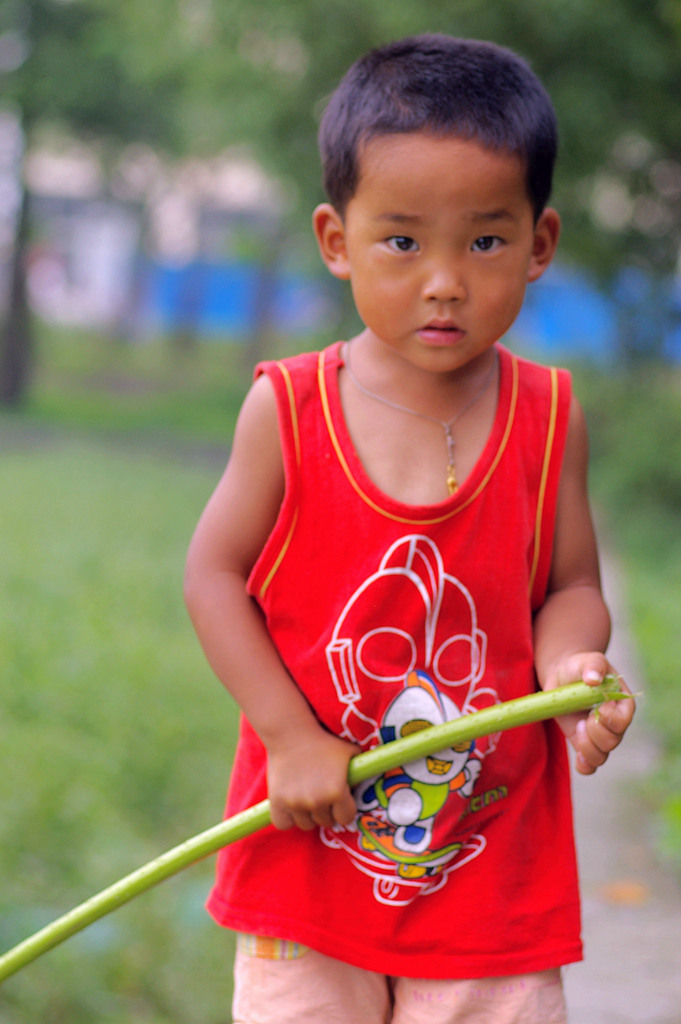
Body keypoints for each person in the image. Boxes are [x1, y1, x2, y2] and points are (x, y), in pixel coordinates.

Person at [184, 34, 635, 1024]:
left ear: (540, 243)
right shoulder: (291, 411)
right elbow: (213, 575)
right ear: (336, 240)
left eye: (484, 241)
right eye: (402, 240)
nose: (444, 281)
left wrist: (570, 668)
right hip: (311, 869)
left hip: (491, 883)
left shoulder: (549, 416)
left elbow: (568, 583)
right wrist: (288, 735)